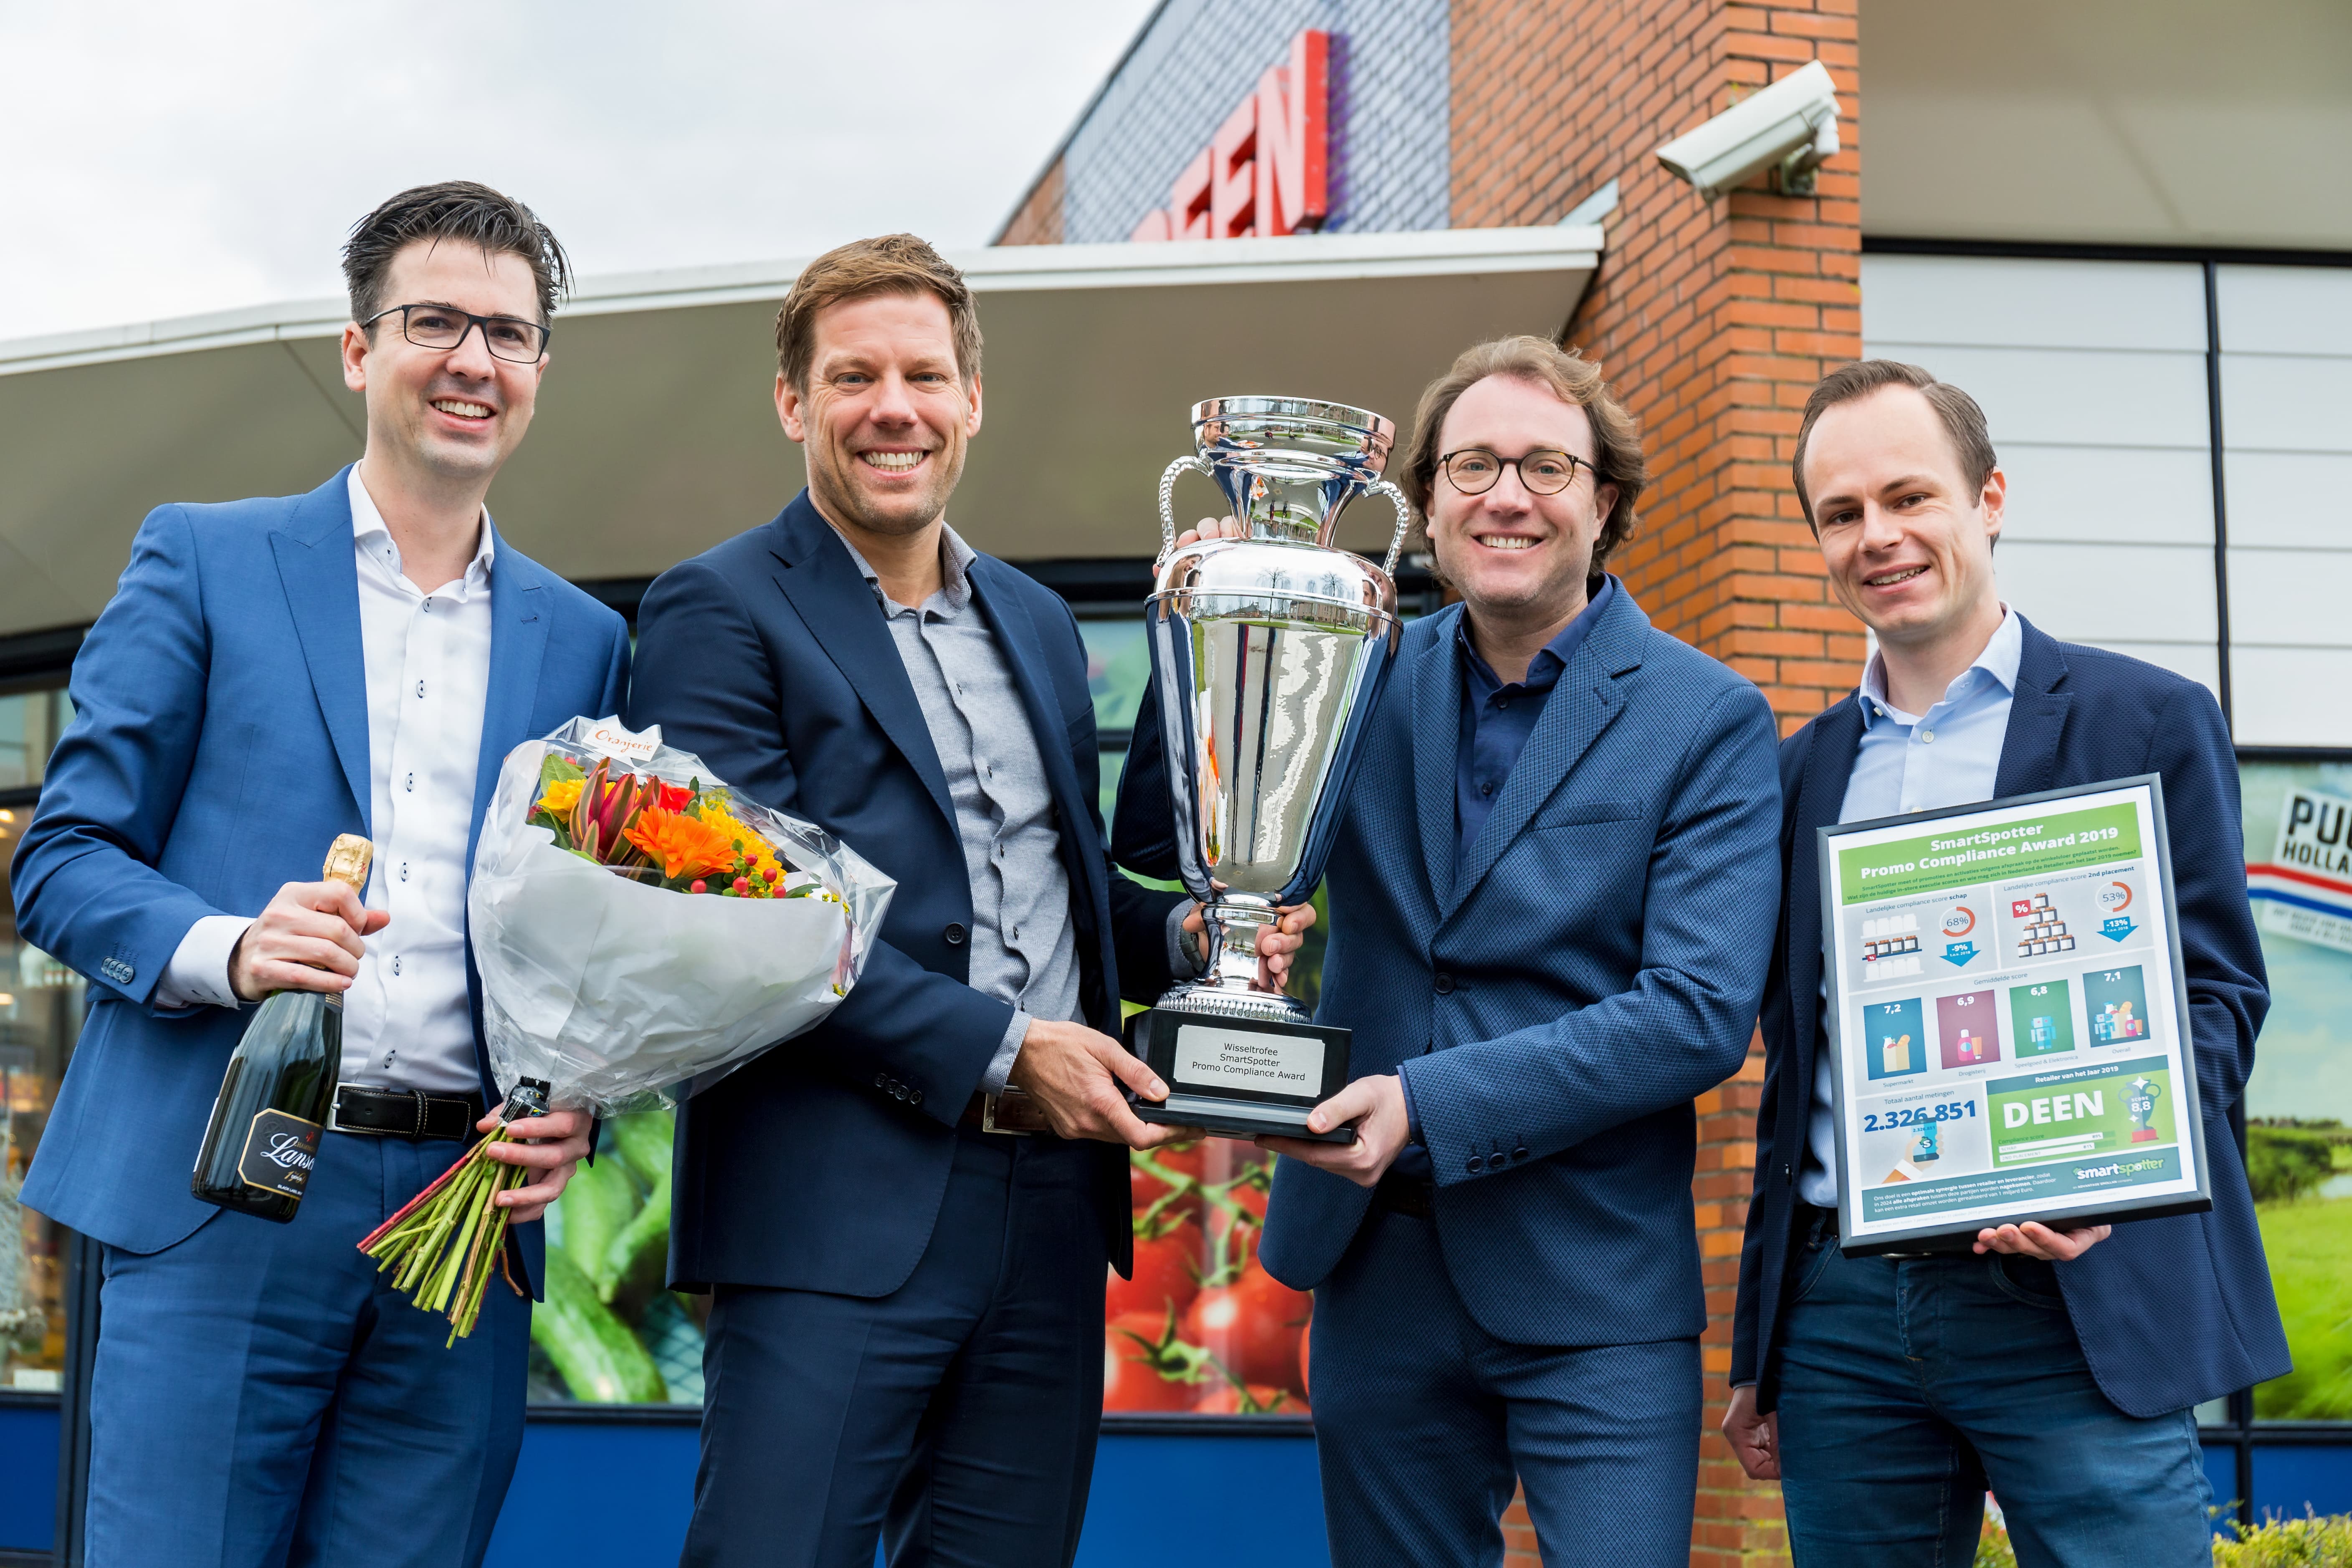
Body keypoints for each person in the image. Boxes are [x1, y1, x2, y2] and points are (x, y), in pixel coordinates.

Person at [625, 233, 1306, 1568]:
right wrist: (1005, 1047)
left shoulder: (1040, 623)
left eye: (925, 374)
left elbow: (1055, 889)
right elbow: (746, 921)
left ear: (971, 400)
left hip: (1048, 1214)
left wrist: (1181, 934)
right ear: (792, 402)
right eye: (854, 376)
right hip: (830, 1212)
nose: (895, 405)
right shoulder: (715, 608)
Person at [14, 182, 628, 1566]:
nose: (474, 359)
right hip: (225, 1186)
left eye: (511, 334)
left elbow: (587, 937)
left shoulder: (584, 640)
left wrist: (581, 1097)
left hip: (458, 1220)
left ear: (537, 373)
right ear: (360, 349)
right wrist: (225, 945)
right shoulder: (204, 556)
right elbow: (57, 858)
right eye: (435, 322)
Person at [1114, 336, 1784, 1568]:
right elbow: (1167, 832)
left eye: (1544, 465)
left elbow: (1694, 1011)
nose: (1506, 496)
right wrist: (1202, 625)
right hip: (1373, 1265)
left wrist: (1426, 1102)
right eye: (1472, 465)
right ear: (1422, 503)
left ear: (1605, 501)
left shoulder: (1709, 718)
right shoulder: (1358, 665)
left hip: (1590, 1279)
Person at [1722, 359, 2288, 1565]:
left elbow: (2218, 999)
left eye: (1907, 496)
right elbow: (1794, 1068)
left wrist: (2108, 1171)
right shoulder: (1795, 773)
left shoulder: (2144, 716)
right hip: (1843, 1316)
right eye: (1840, 513)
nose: (1877, 536)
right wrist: (1759, 1347)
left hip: (2076, 1292)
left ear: (1987, 498)